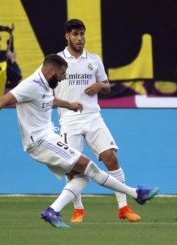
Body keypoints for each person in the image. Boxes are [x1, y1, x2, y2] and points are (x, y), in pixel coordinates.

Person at [0, 54, 159, 229]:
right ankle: (135, 193)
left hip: (48, 138)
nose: (63, 78)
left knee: (83, 177)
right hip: (40, 141)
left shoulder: (44, 82)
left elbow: (48, 100)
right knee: (89, 167)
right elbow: (1, 101)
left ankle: (53, 210)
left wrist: (68, 104)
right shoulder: (30, 85)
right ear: (51, 71)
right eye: (62, 74)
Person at [53, 19, 141, 223]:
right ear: (67, 36)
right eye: (75, 34)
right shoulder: (56, 61)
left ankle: (123, 207)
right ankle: (78, 209)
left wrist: (99, 87)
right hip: (69, 119)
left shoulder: (94, 59)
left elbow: (108, 86)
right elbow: (47, 92)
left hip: (93, 117)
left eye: (82, 34)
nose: (80, 38)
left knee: (111, 157)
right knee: (72, 167)